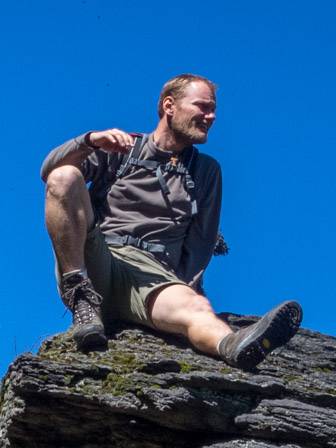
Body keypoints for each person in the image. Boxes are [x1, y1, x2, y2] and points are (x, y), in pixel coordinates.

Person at [42, 74, 301, 370]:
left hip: (154, 276)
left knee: (197, 309)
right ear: (170, 106)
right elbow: (50, 173)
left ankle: (233, 346)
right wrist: (89, 141)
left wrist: (186, 290)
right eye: (203, 107)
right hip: (98, 259)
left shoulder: (204, 171)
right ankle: (83, 301)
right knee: (64, 175)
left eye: (213, 110)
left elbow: (202, 242)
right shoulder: (122, 149)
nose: (211, 116)